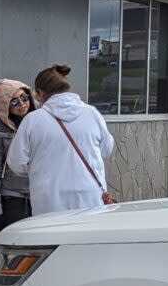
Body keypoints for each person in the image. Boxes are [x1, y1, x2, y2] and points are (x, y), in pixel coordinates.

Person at [6, 64, 115, 215]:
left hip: (49, 201)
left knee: (52, 238)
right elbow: (106, 149)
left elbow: (17, 162)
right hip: (90, 198)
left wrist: (38, 167)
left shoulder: (33, 121)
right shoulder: (92, 114)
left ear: (39, 93)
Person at [0, 79, 36, 233]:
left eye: (24, 98)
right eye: (14, 101)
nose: (22, 104)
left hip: (42, 195)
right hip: (14, 198)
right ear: (5, 105)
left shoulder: (41, 123)